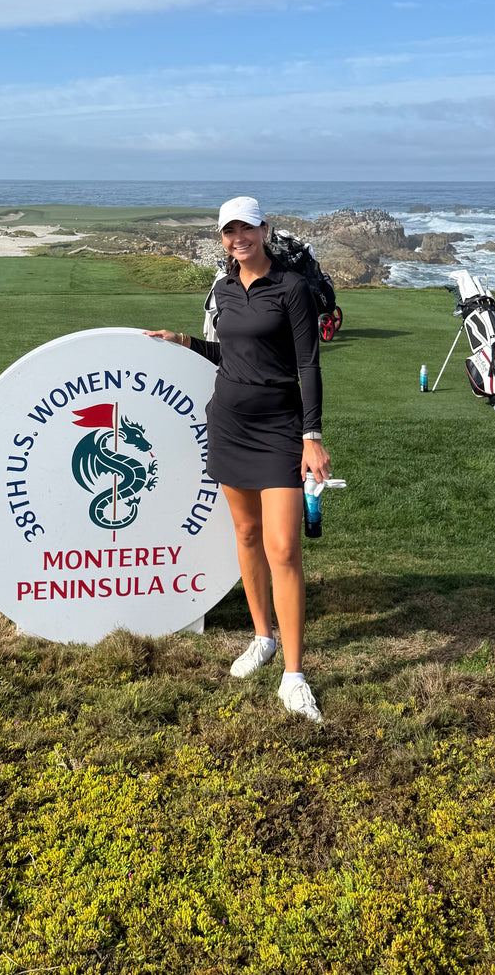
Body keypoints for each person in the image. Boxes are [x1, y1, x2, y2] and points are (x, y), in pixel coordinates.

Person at [146, 195, 331, 722]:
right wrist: (182, 340)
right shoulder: (223, 289)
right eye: (229, 232)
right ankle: (262, 637)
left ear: (265, 230)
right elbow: (233, 354)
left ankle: (294, 677)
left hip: (279, 430)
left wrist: (311, 435)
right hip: (227, 424)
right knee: (246, 536)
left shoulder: (292, 289)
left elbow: (308, 366)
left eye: (246, 229)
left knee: (283, 548)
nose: (238, 239)